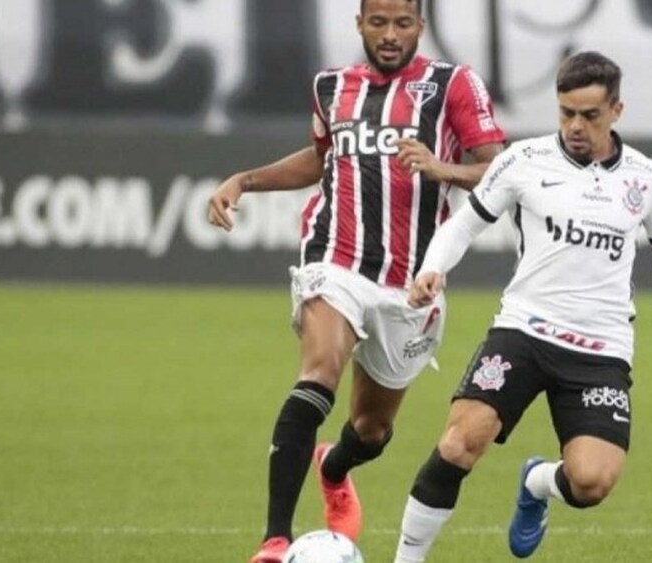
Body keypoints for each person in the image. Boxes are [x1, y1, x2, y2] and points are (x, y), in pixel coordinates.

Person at [206, 1, 507, 561]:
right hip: (336, 258)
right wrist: (244, 181)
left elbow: (501, 166)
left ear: (421, 25)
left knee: (370, 430)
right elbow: (323, 161)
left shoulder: (453, 85)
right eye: (377, 22)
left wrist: (446, 170)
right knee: (318, 372)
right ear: (359, 24)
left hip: (410, 284)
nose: (389, 35)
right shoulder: (331, 87)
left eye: (402, 23)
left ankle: (335, 465)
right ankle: (275, 539)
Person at [393, 51, 652, 562]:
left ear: (616, 111)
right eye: (566, 113)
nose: (575, 126)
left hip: (601, 348)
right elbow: (467, 221)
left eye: (590, 115)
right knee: (458, 443)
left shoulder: (647, 178)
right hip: (524, 331)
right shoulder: (523, 161)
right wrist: (433, 268)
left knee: (591, 483)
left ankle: (537, 483)